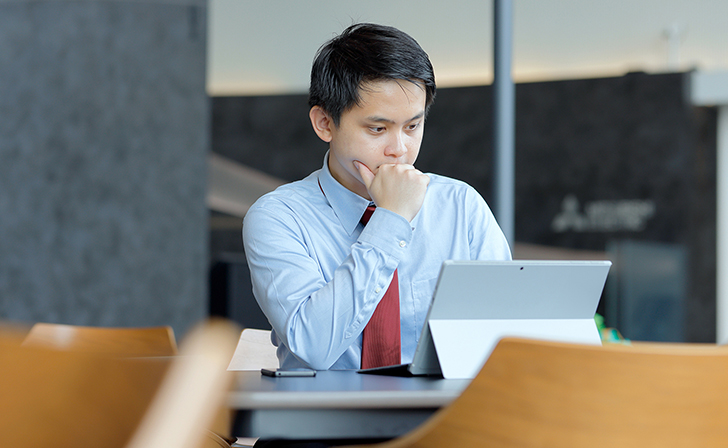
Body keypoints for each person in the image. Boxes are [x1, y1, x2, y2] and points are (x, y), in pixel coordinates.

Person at [243, 23, 511, 372]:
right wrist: (391, 221)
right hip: (322, 422)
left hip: (442, 421)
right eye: (377, 129)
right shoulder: (278, 217)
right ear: (324, 123)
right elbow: (315, 347)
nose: (399, 149)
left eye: (413, 126)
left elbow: (505, 337)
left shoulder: (460, 206)